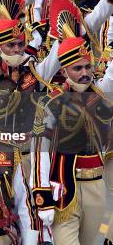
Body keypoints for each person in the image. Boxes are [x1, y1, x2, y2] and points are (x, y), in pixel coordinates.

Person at [31, 37, 112, 245]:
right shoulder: (51, 103)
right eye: (78, 68)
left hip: (96, 186)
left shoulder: (102, 99)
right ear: (64, 71)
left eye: (87, 67)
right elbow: (40, 151)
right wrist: (43, 197)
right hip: (65, 188)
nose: (85, 73)